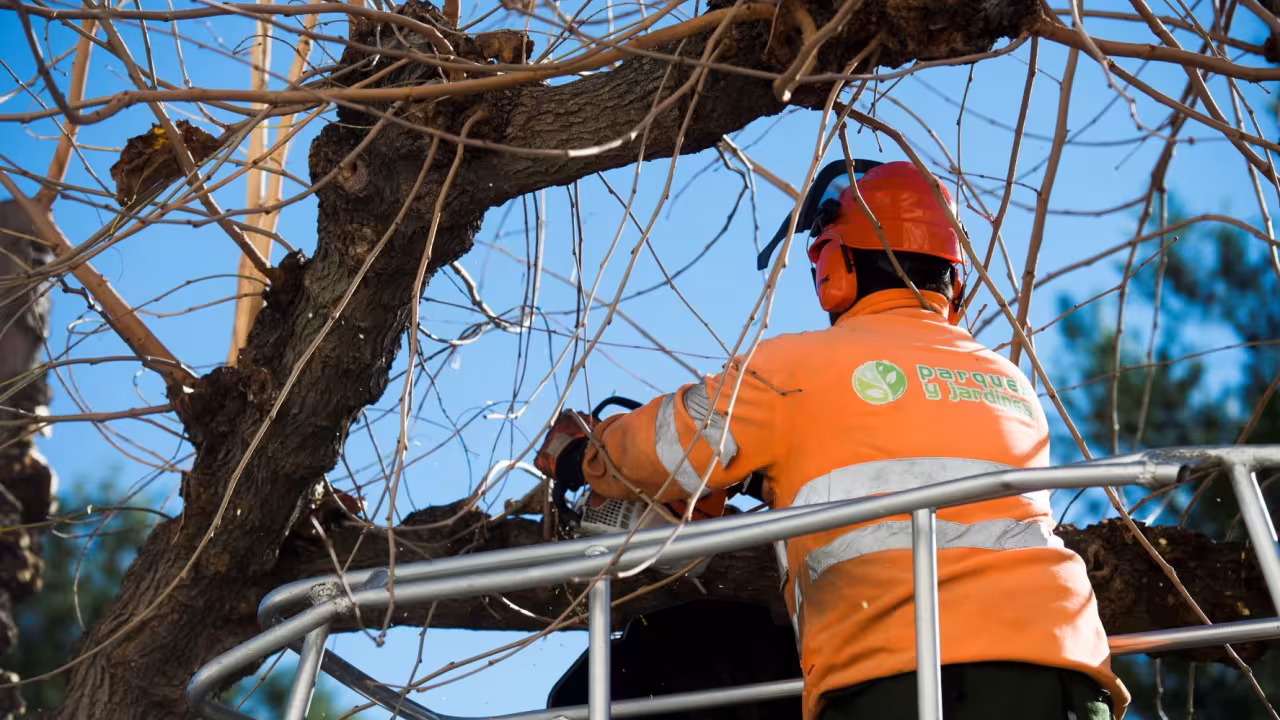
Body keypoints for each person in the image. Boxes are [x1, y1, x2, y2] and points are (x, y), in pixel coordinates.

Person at [535, 159, 1128, 720]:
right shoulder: (1008, 382)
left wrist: (583, 456)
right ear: (954, 277)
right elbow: (899, 454)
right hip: (1065, 671)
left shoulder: (796, 371)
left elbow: (667, 446)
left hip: (901, 677)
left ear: (834, 267)